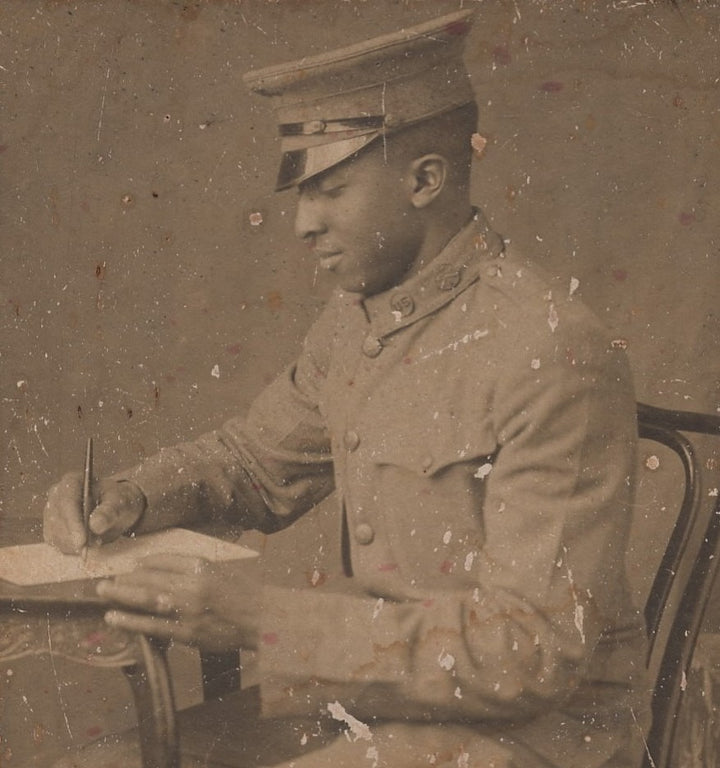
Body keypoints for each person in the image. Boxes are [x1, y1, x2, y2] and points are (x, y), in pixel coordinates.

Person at [44, 10, 650, 768]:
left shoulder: (552, 348)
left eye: (329, 189)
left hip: (530, 737)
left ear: (425, 180)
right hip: (376, 707)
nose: (301, 223)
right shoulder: (356, 323)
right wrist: (132, 495)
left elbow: (528, 653)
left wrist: (264, 620)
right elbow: (253, 464)